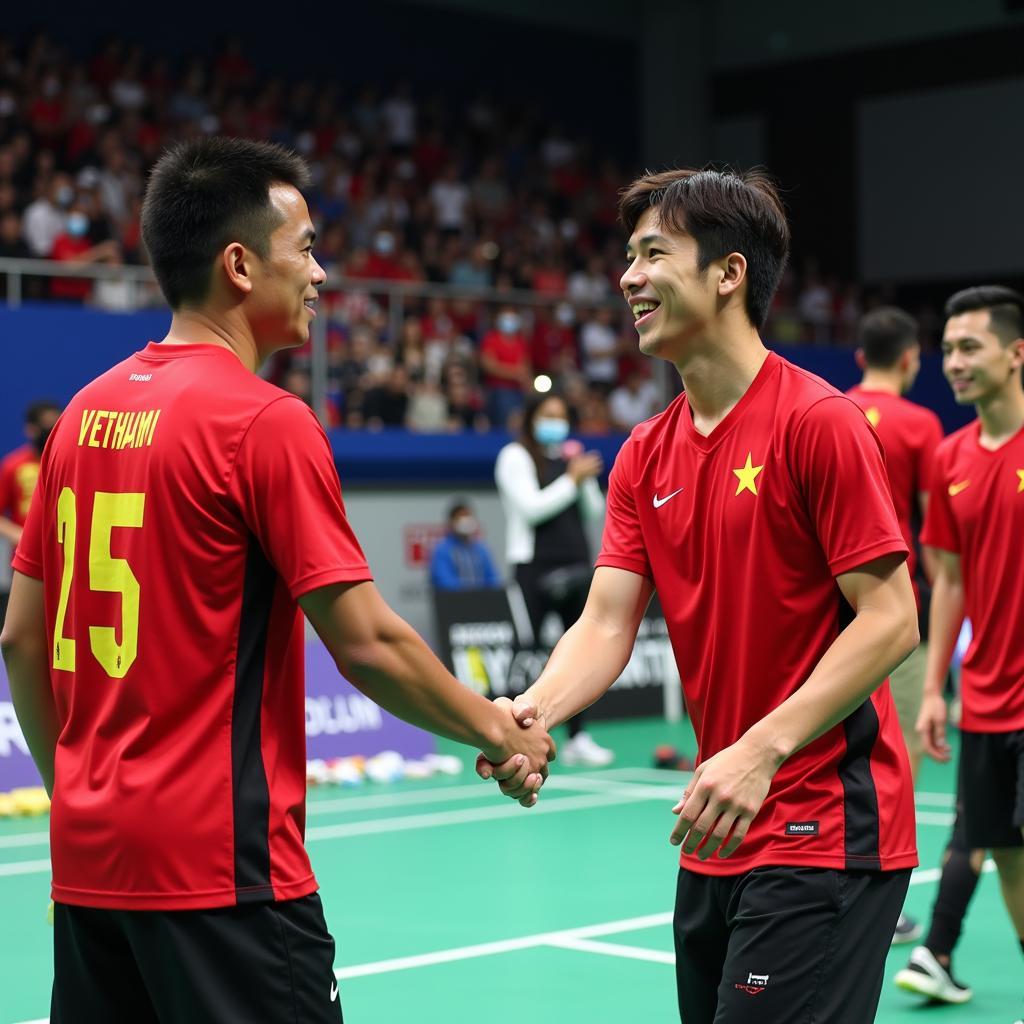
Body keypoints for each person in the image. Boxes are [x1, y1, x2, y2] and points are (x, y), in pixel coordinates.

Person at [0, 136, 553, 1024]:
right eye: (304, 248)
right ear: (239, 264)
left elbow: (20, 639)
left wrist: (79, 788)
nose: (321, 273)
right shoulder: (263, 422)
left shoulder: (80, 417)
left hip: (90, 865)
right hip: (222, 875)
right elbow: (366, 642)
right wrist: (500, 730)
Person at [480, 167, 919, 1023]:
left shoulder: (816, 423)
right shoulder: (645, 454)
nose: (627, 277)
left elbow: (892, 617)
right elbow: (606, 623)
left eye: (654, 254)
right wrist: (531, 713)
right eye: (629, 256)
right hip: (716, 828)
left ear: (729, 273)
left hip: (823, 821)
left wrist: (761, 750)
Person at [902, 285, 1024, 1020]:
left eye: (969, 347)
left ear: (1016, 354)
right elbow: (945, 582)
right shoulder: (949, 458)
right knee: (1005, 852)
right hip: (985, 694)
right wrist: (934, 689)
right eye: (946, 349)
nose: (953, 362)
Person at [845, 306, 946, 945]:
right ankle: (885, 907)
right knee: (894, 758)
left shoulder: (830, 406)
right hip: (895, 607)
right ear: (911, 359)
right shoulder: (923, 424)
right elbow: (935, 531)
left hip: (835, 611)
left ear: (861, 358)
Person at [494, 392, 614, 768]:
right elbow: (531, 509)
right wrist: (571, 480)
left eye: (561, 416)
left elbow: (593, 511)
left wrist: (581, 478)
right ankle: (503, 735)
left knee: (578, 655)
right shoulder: (515, 456)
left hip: (576, 567)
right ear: (532, 419)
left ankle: (578, 737)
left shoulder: (569, 458)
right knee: (525, 651)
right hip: (533, 569)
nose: (555, 423)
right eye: (548, 415)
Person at [0, 400, 61, 623]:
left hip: (62, 556)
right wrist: (20, 536)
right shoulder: (13, 465)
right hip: (25, 559)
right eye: (45, 426)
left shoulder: (64, 460)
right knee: (26, 622)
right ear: (31, 429)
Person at [429, 499, 501, 591]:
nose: (466, 521)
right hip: (453, 602)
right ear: (451, 522)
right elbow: (445, 582)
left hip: (482, 601)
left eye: (468, 516)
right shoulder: (442, 550)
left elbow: (493, 578)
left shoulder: (482, 549)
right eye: (461, 517)